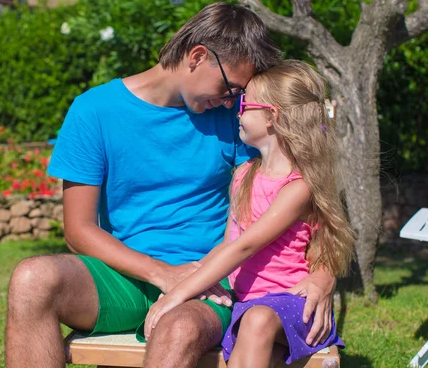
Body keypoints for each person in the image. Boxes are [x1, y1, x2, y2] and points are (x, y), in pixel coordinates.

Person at [5, 2, 337, 368]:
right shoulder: (93, 111)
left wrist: (323, 277)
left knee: (178, 327)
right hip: (123, 277)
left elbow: (299, 200)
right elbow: (78, 230)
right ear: (197, 56)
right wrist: (162, 274)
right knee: (32, 279)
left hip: (209, 284)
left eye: (239, 95)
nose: (231, 101)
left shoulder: (234, 119)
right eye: (229, 88)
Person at [144, 60, 355, 368]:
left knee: (257, 321)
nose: (237, 111)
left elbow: (245, 247)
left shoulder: (298, 188)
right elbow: (231, 241)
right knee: (253, 332)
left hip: (295, 306)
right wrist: (197, 276)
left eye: (244, 103)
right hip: (250, 304)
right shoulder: (244, 174)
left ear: (271, 117)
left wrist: (179, 293)